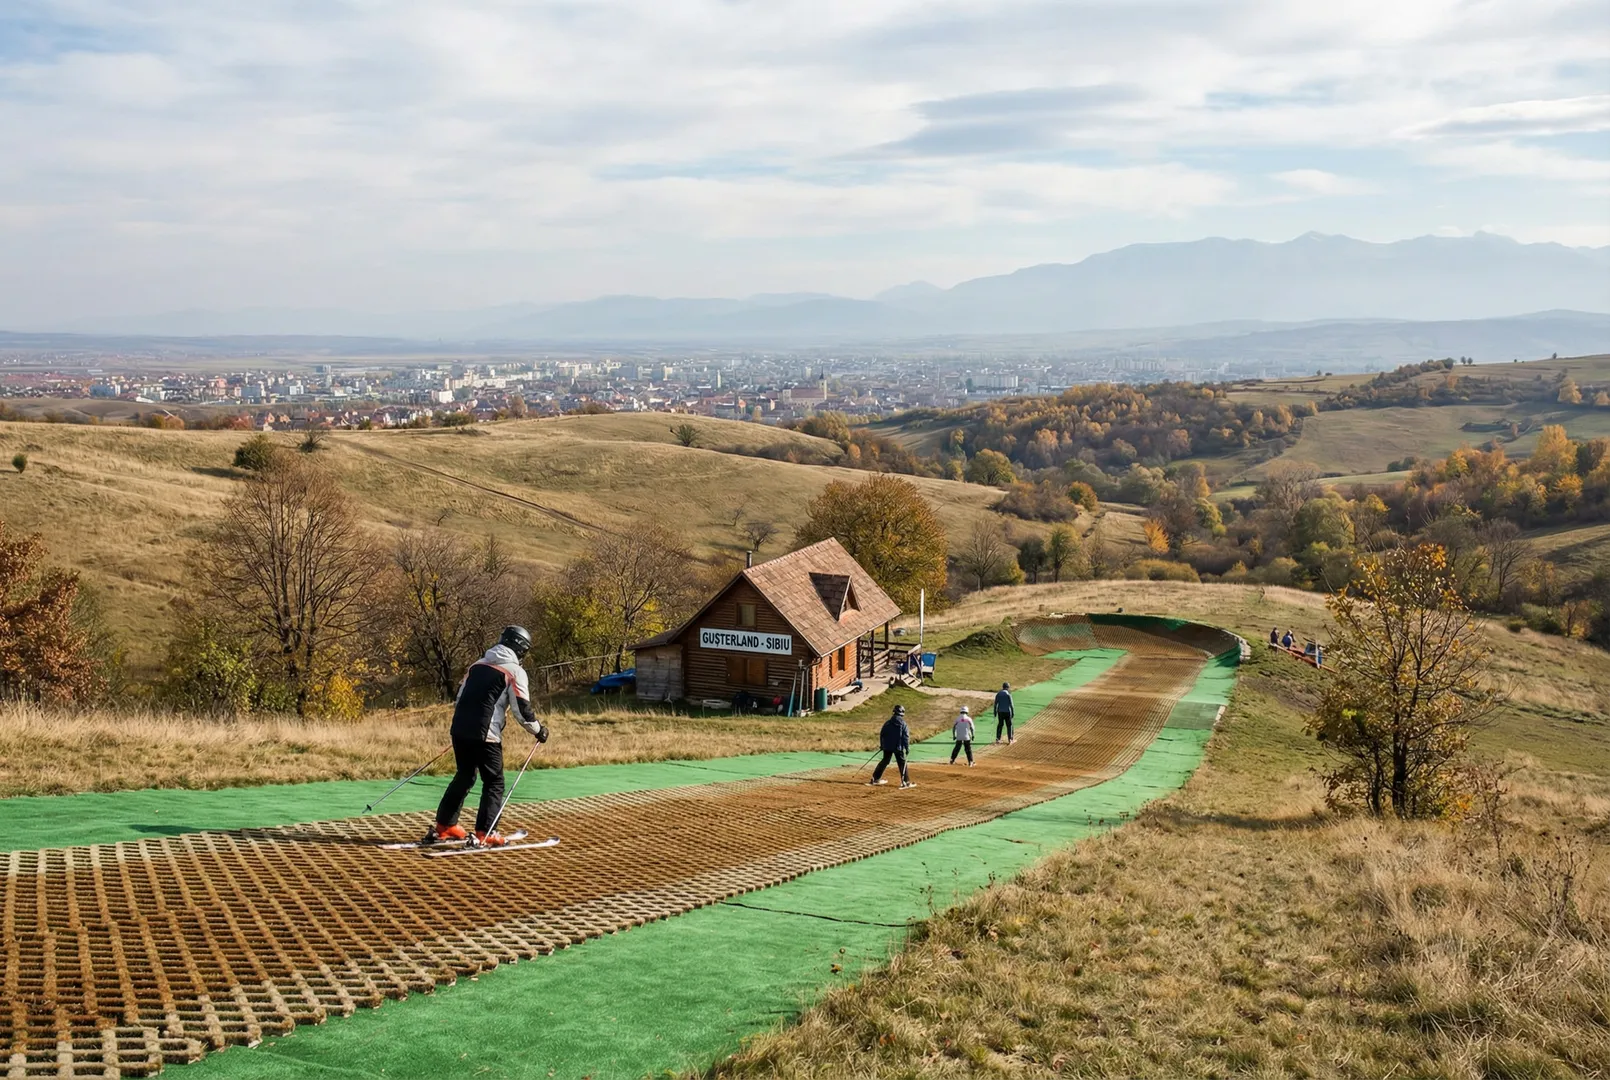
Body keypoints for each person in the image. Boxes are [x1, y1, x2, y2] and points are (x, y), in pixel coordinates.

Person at [421, 626, 549, 848]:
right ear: (521, 649)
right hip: (486, 735)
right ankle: (486, 832)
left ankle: (445, 826)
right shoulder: (514, 671)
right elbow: (522, 710)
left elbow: (459, 699)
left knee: (465, 775)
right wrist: (539, 730)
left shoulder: (476, 665)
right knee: (494, 782)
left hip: (459, 730)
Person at [869, 704, 913, 788]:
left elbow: (882, 734)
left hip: (887, 747)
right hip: (898, 747)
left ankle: (875, 778)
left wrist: (882, 745)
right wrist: (907, 748)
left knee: (885, 761)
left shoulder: (888, 723)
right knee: (902, 763)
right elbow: (905, 737)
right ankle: (906, 782)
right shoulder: (903, 724)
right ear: (902, 713)